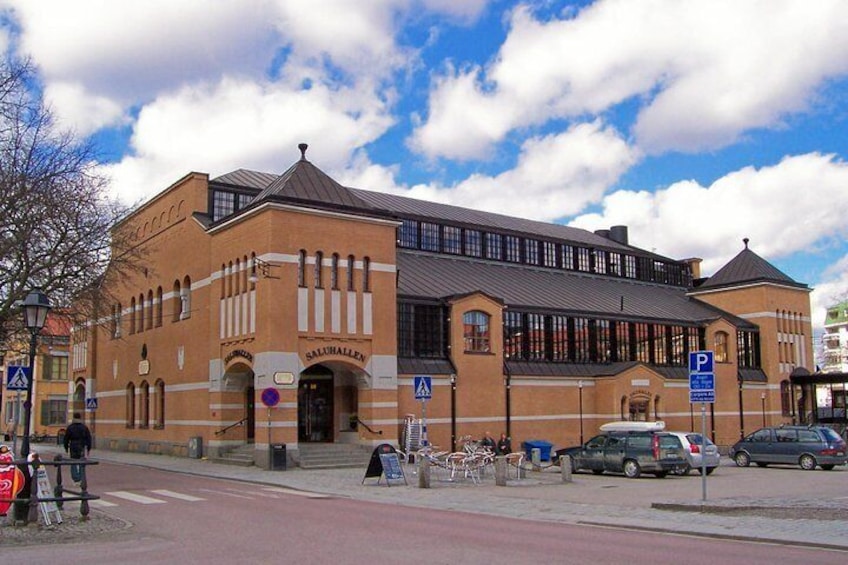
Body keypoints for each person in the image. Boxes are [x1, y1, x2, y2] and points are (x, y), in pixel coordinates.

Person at [63, 413, 92, 482]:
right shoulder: (84, 427)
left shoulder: (70, 427)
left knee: (73, 461)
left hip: (73, 445)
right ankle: (81, 476)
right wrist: (88, 448)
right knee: (81, 461)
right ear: (80, 418)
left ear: (73, 418)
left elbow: (66, 439)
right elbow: (88, 438)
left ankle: (75, 477)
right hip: (81, 445)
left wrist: (66, 448)